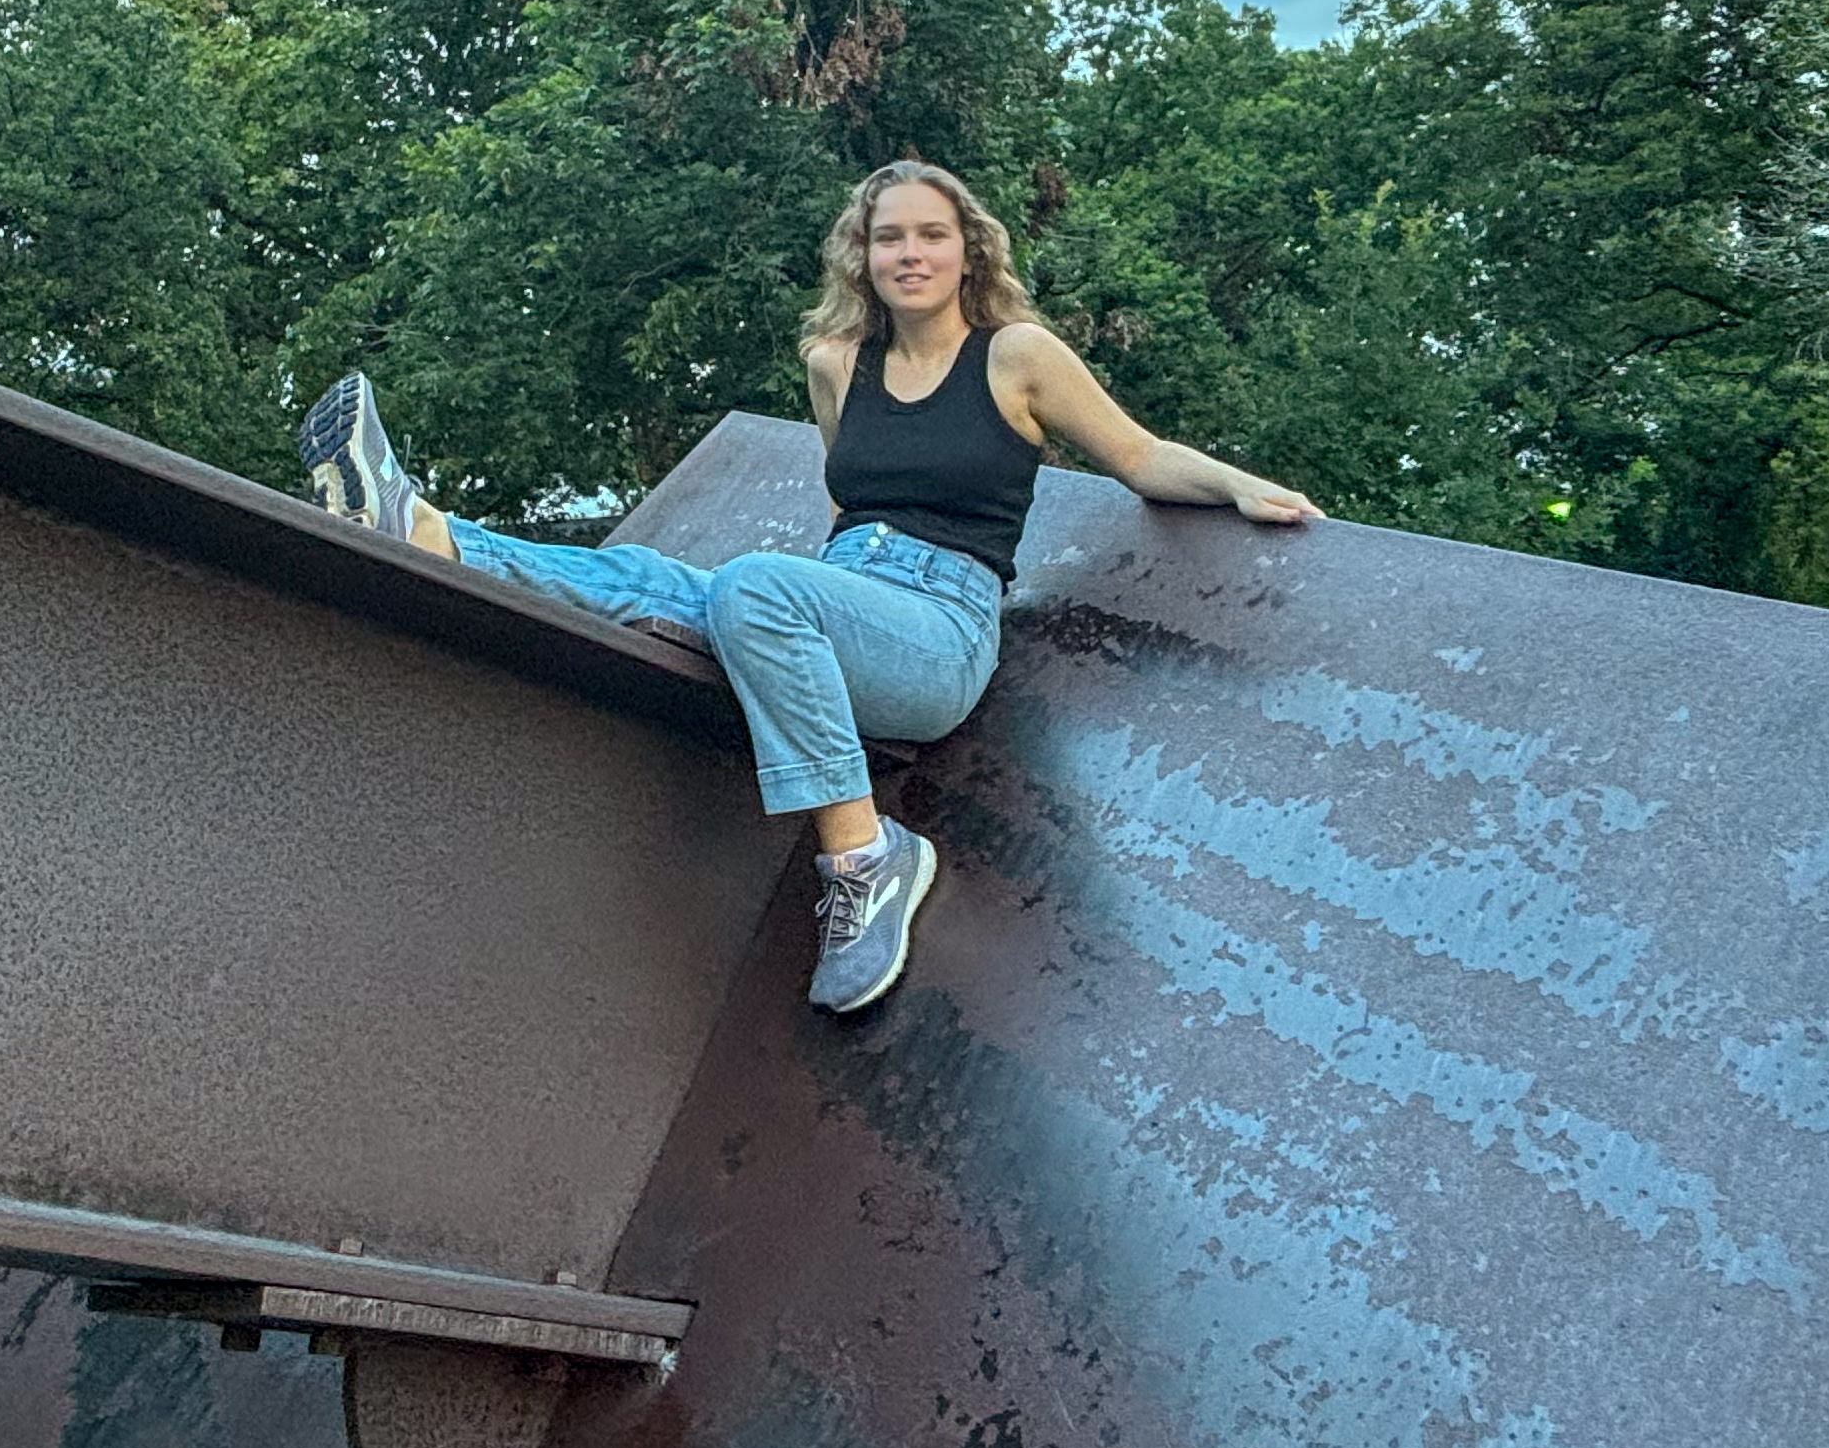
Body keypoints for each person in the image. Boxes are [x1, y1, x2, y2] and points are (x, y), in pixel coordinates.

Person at [298, 159, 1321, 1017]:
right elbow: (852, 510)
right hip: (845, 589)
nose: (909, 255)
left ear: (969, 249)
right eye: (889, 239)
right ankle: (434, 535)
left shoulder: (1018, 357)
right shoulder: (836, 364)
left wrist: (1240, 487)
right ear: (861, 256)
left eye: (930, 235)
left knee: (752, 589)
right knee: (652, 579)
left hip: (941, 628)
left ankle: (866, 859)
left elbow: (1137, 459)